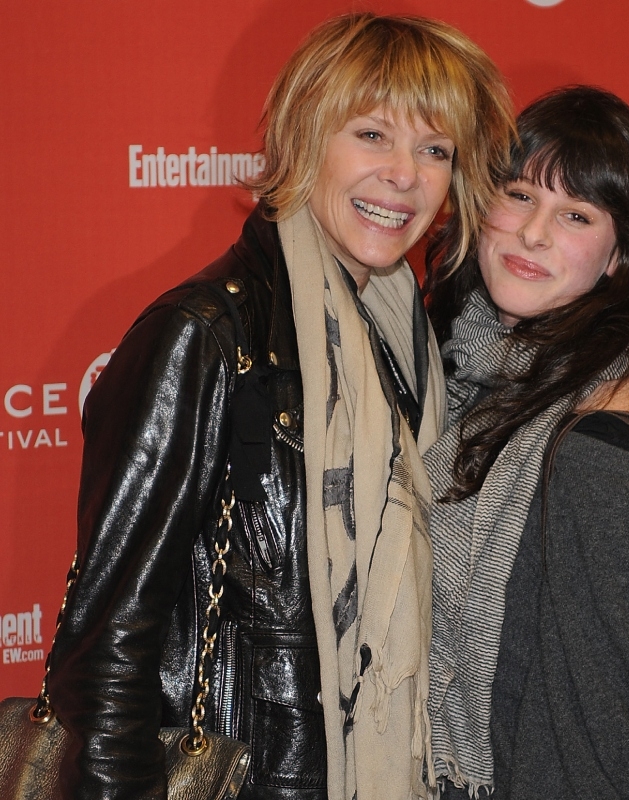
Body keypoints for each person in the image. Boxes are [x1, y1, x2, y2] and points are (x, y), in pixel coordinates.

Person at [46, 13, 514, 800]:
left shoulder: (406, 342)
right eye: (371, 135)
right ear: (304, 138)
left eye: (435, 149)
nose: (406, 175)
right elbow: (107, 653)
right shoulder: (205, 336)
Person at [423, 86, 629, 799]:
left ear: (624, 253)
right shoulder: (460, 378)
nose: (533, 233)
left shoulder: (596, 452)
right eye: (520, 195)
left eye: (576, 215)